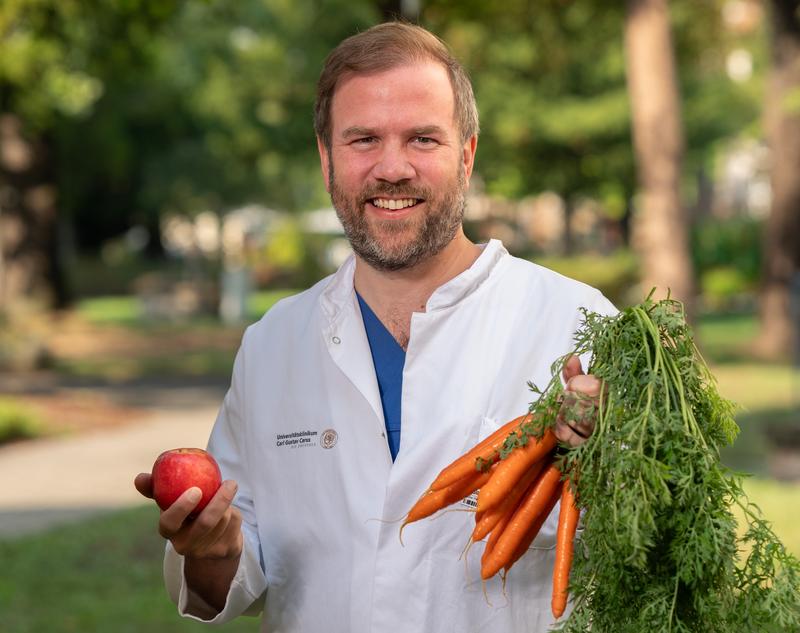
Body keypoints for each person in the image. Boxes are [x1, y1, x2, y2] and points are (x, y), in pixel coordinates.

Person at [134, 21, 614, 633]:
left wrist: (612, 462)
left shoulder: (579, 325)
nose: (392, 168)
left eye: (422, 139)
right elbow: (233, 569)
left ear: (466, 156)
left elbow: (656, 543)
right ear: (326, 158)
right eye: (363, 139)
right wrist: (211, 549)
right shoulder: (273, 345)